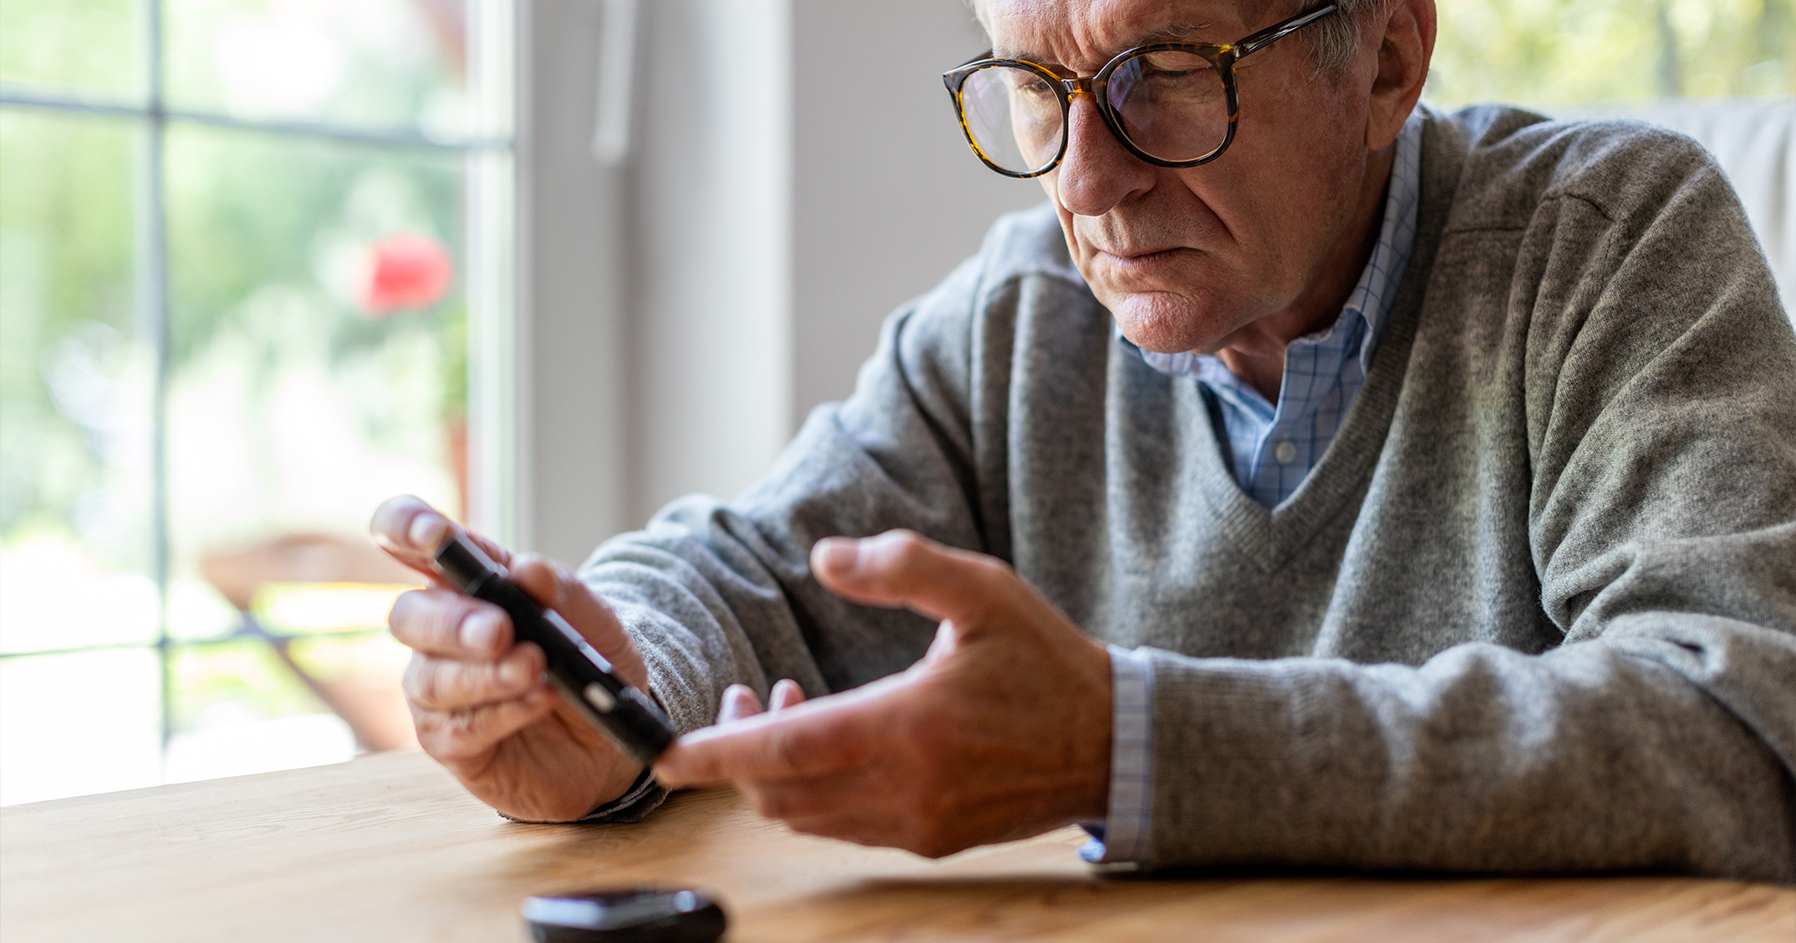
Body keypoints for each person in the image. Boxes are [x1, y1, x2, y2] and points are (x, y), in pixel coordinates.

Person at [372, 0, 1796, 882]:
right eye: (1032, 89)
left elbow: (1744, 732)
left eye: (1162, 71)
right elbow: (751, 571)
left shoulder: (1612, 242)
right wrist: (610, 696)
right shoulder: (1023, 311)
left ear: (1388, 56)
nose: (1086, 180)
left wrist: (1121, 746)